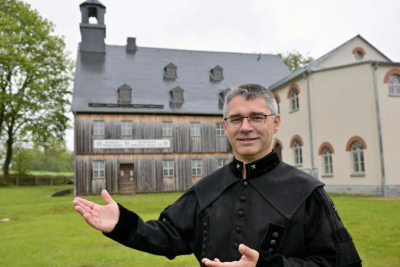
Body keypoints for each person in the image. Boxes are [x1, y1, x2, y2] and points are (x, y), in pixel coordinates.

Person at [73, 84, 362, 267]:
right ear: (225, 126)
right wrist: (120, 223)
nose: (245, 127)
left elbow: (338, 263)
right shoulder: (207, 188)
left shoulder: (306, 191)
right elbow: (170, 236)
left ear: (275, 123)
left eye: (256, 117)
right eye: (236, 119)